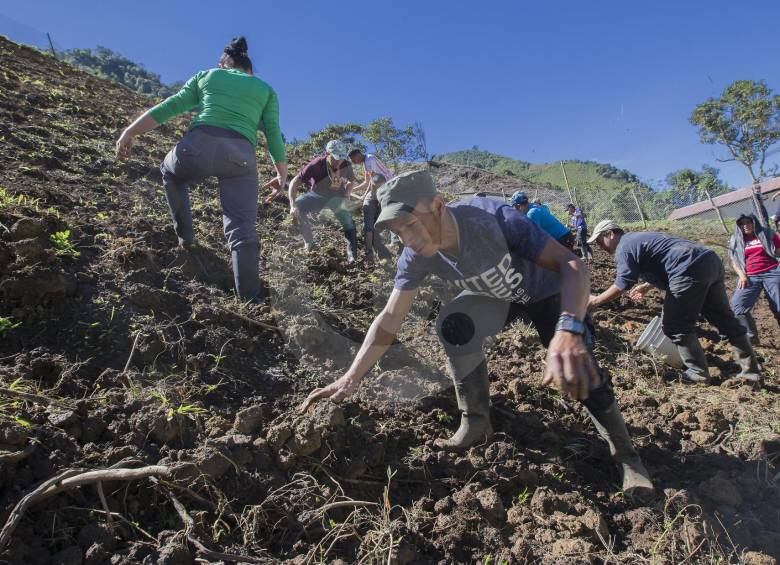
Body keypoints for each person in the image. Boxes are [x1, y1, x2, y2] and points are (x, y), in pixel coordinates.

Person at [301, 170, 654, 496]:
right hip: (499, 297)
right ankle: (476, 421)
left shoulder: (494, 220)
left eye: (410, 224)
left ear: (438, 206)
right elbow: (389, 318)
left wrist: (569, 329)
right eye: (397, 232)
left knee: (579, 363)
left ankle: (626, 455)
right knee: (454, 324)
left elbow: (572, 264)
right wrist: (349, 378)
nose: (407, 239)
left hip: (547, 291)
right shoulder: (416, 255)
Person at [115, 37, 287, 303]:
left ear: (222, 64)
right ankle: (251, 301)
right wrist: (281, 173)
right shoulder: (265, 90)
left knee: (170, 173)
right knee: (242, 229)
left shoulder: (208, 75)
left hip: (198, 146)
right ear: (249, 71)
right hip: (240, 157)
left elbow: (170, 106)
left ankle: (186, 238)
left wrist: (129, 131)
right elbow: (274, 133)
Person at [587, 220, 762, 384]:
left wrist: (594, 302)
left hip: (688, 268)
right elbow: (666, 257)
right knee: (724, 320)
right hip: (709, 261)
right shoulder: (638, 238)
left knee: (675, 325)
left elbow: (622, 284)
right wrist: (647, 286)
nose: (600, 247)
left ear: (610, 233)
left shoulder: (623, 247)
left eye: (600, 241)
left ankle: (698, 373)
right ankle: (752, 372)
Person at [288, 140, 359, 261]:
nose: (338, 161)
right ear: (327, 153)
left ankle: (352, 254)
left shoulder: (346, 165)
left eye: (341, 158)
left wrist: (347, 194)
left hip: (337, 198)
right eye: (336, 158)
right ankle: (309, 242)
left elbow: (352, 180)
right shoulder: (317, 164)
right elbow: (295, 182)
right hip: (317, 196)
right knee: (299, 204)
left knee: (348, 221)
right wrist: (292, 205)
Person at [728, 214, 780, 342]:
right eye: (742, 224)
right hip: (750, 276)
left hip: (772, 272)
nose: (745, 226)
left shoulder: (767, 233)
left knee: (779, 307)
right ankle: (751, 337)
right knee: (737, 306)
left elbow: (779, 251)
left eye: (748, 222)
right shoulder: (736, 239)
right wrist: (741, 275)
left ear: (754, 222)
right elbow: (734, 260)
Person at [348, 149, 393, 263]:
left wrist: (367, 196)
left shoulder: (369, 159)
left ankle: (386, 247)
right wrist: (351, 190)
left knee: (378, 223)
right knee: (370, 226)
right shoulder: (366, 162)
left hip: (387, 189)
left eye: (354, 160)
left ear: (358, 155)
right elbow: (367, 183)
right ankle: (373, 252)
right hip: (378, 191)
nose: (354, 163)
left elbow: (373, 182)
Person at [511, 191, 575, 249]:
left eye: (514, 208)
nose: (514, 212)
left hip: (561, 239)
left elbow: (535, 236)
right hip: (563, 237)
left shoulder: (532, 213)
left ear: (518, 206)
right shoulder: (534, 206)